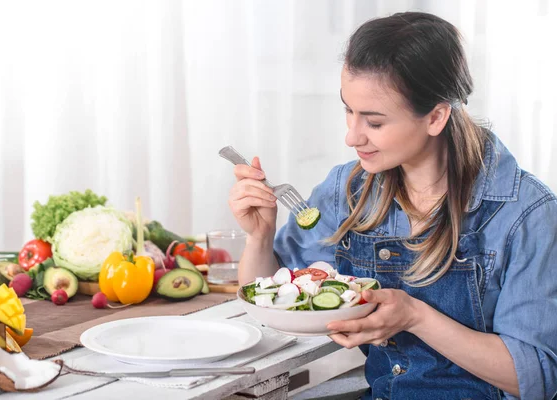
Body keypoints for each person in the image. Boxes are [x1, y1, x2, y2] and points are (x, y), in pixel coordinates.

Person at [227, 11, 557, 400]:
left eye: (374, 122)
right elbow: (269, 302)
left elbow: (536, 378)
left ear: (435, 116)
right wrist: (260, 239)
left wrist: (415, 316)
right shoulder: (347, 189)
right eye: (348, 110)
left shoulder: (526, 214)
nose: (351, 136)